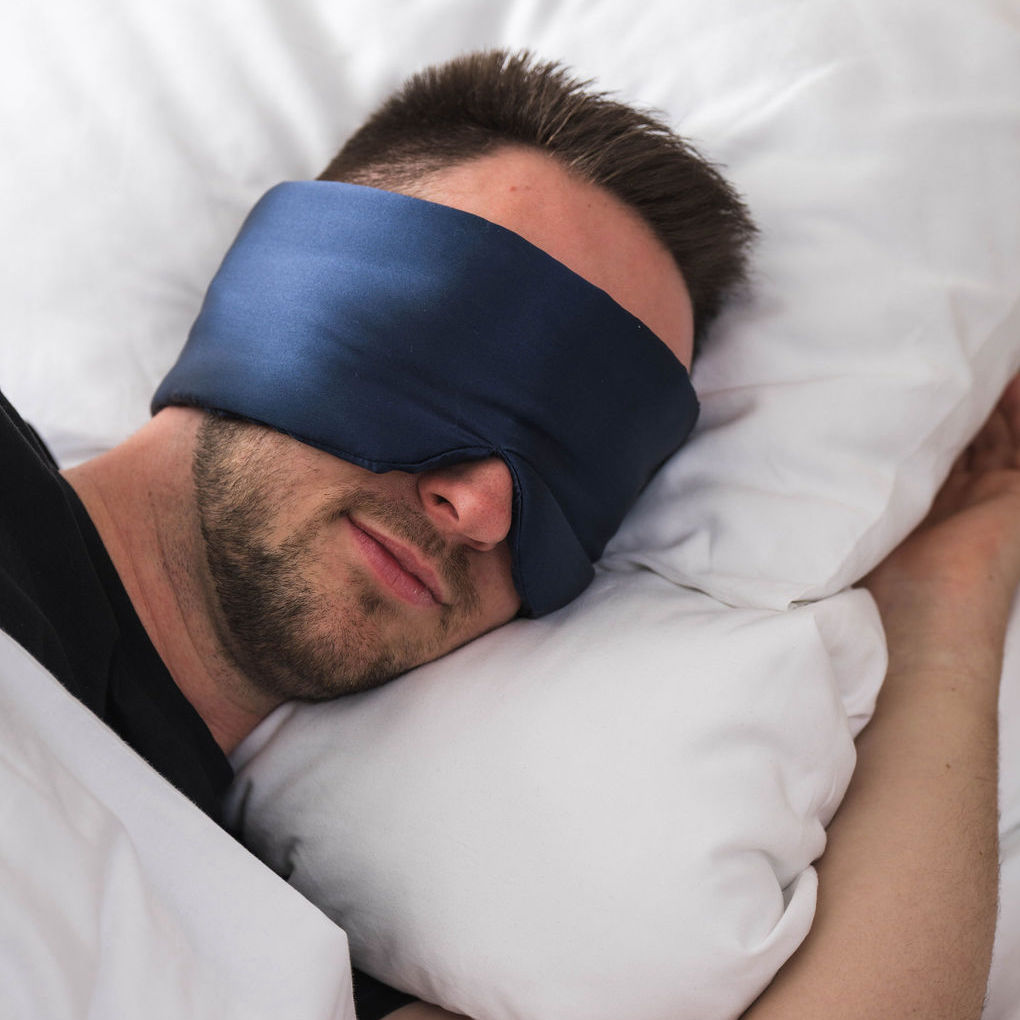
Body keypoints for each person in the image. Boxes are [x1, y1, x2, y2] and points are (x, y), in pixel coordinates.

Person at [0, 47, 1013, 1020]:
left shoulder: (287, 943)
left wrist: (947, 606)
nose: (485, 511)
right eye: (455, 367)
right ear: (269, 296)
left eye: (573, 476)